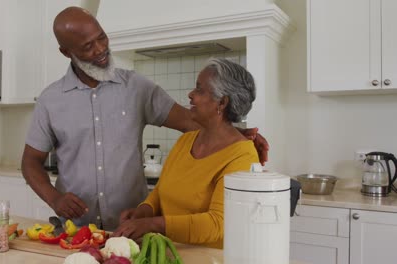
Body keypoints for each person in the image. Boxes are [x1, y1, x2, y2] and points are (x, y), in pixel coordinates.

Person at [21, 6, 269, 231]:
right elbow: (31, 162)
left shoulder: (137, 87)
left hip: (131, 227)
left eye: (102, 38)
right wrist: (54, 199)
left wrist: (237, 135)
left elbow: (191, 121)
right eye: (87, 46)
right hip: (75, 229)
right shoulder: (50, 100)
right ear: (67, 52)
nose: (100, 50)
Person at [112, 58, 258, 248]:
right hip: (168, 253)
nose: (191, 95)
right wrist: (144, 211)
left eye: (199, 90)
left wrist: (152, 224)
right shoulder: (186, 140)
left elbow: (216, 223)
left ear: (221, 103)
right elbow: (160, 191)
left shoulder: (242, 156)